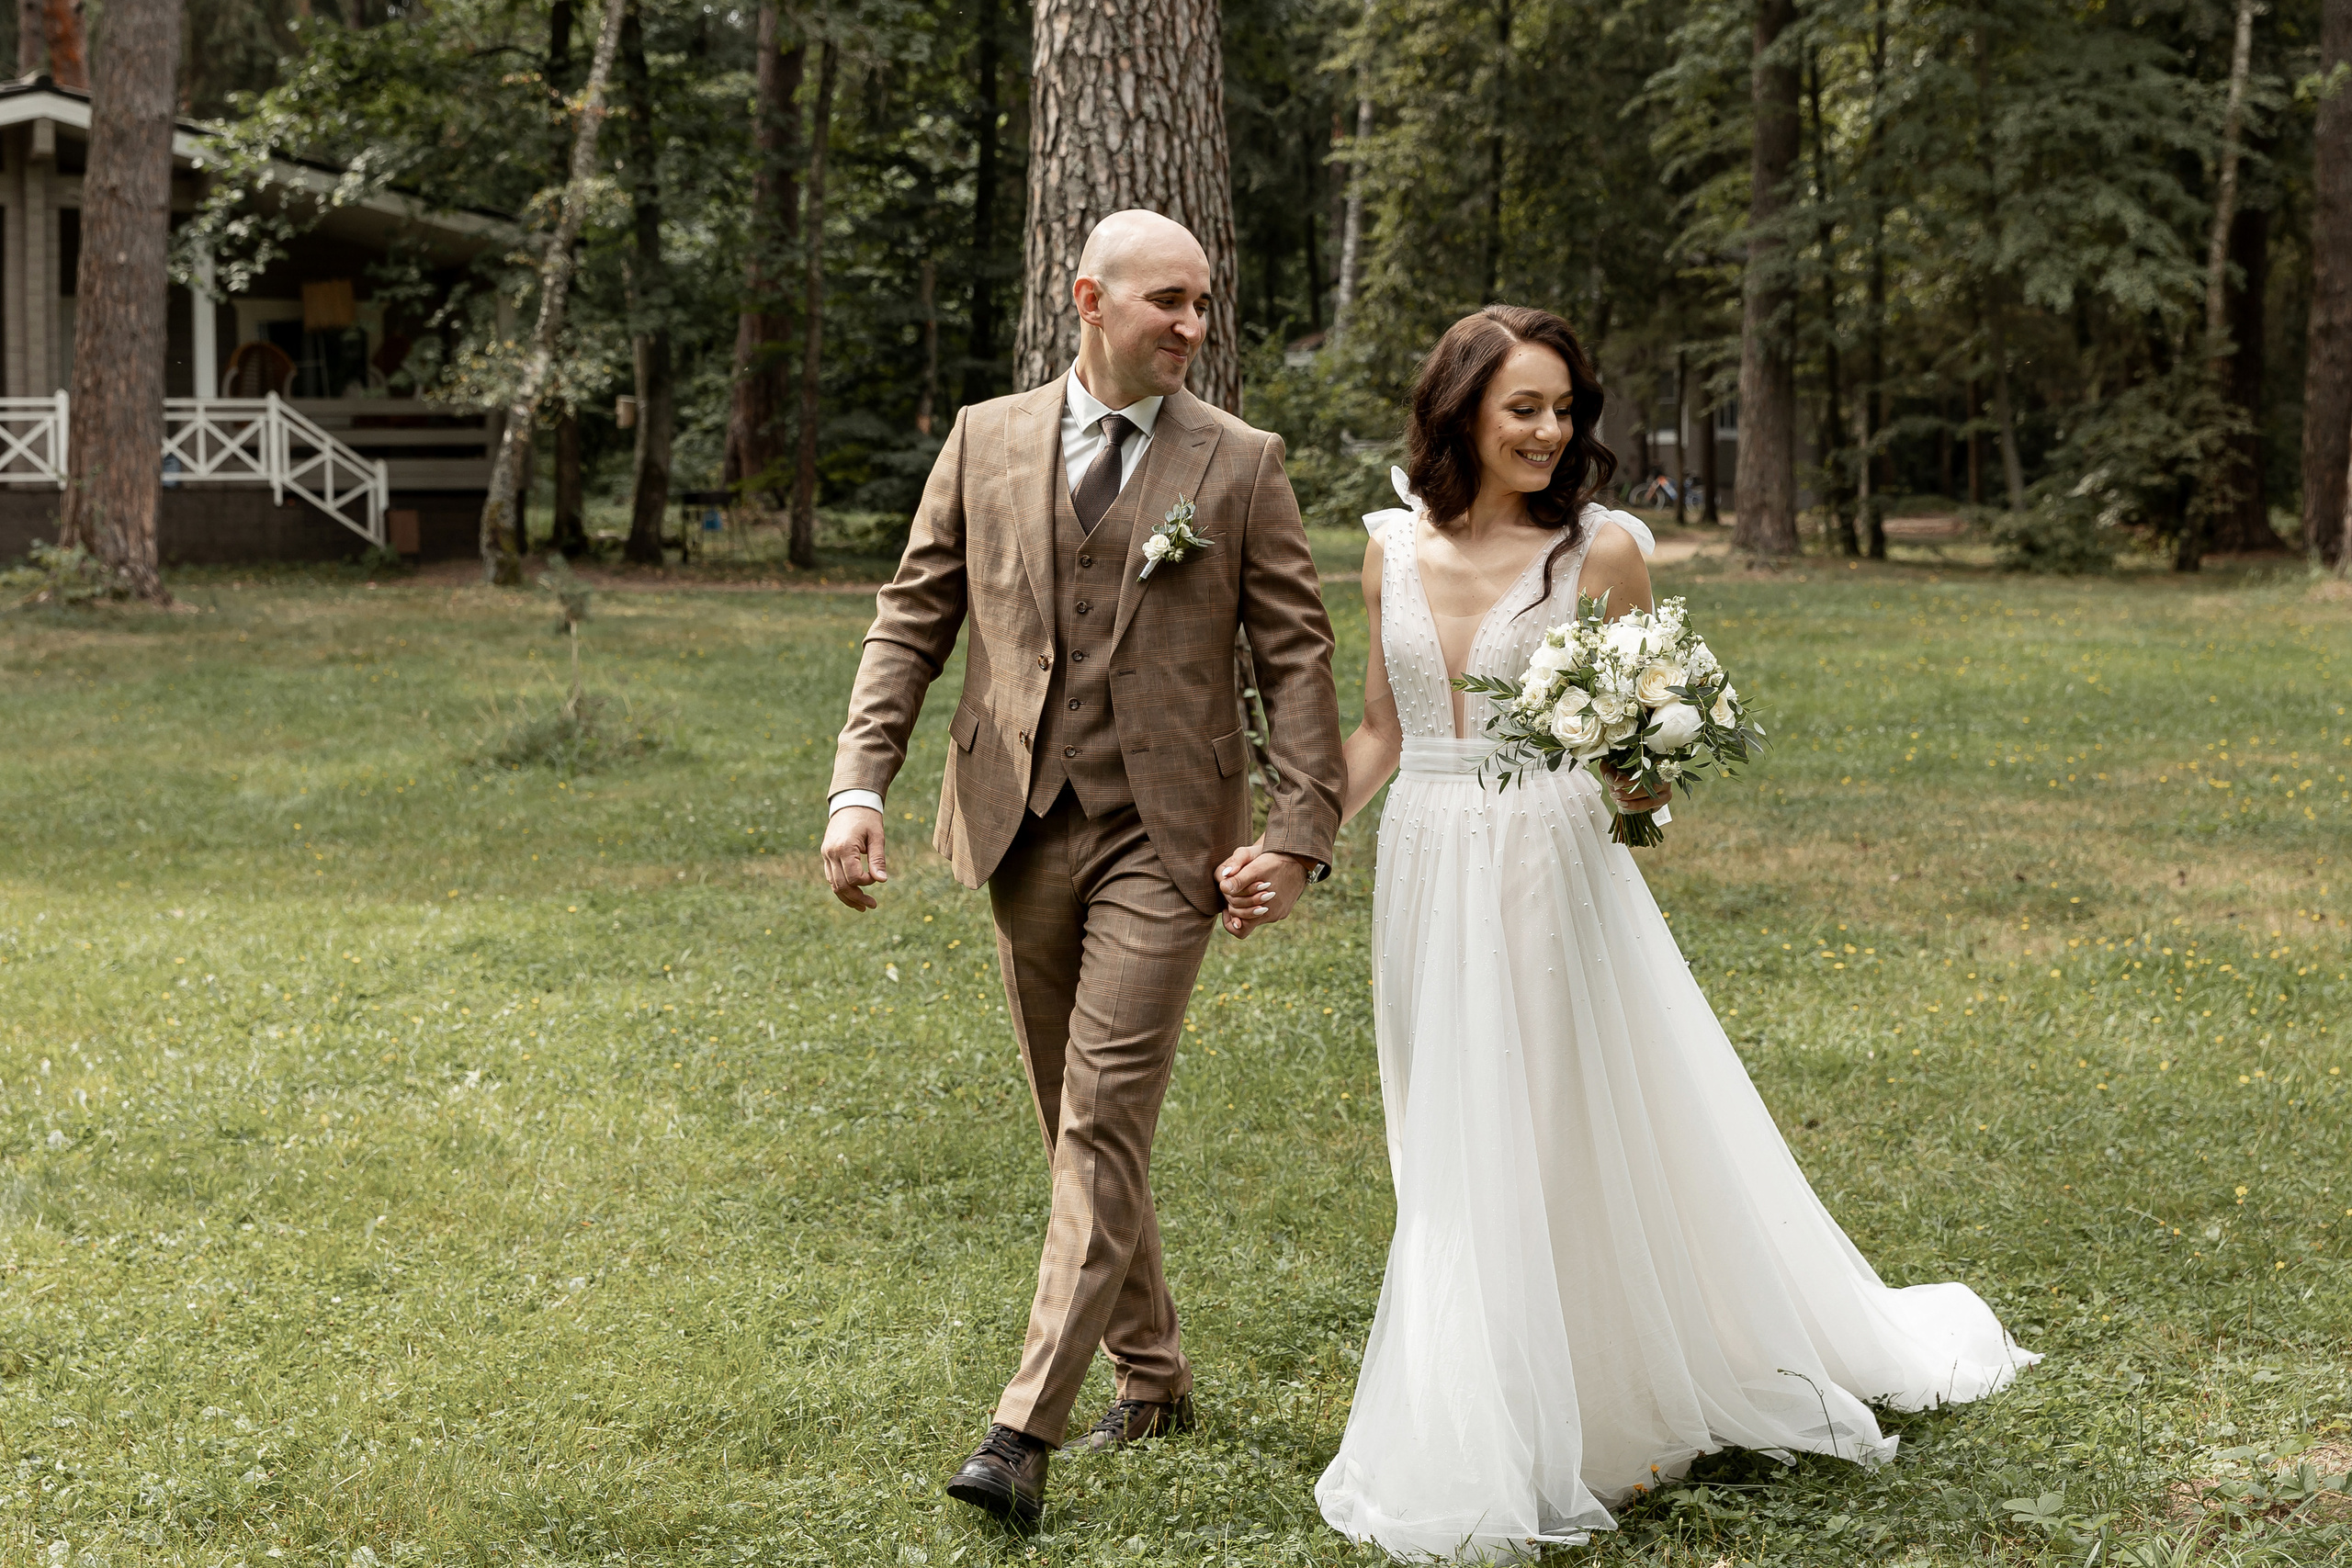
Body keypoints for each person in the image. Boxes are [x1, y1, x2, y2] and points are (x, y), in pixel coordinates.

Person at [1219, 305, 2037, 1561]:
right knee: (1444, 1126)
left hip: (1549, 857)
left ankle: (1593, 1403)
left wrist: (1643, 769)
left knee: (1548, 1117)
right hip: (1428, 860)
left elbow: (1637, 760)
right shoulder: (1390, 547)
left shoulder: (1603, 555)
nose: (1550, 432)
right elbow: (1381, 729)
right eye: (1523, 410)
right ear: (1460, 416)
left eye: (1563, 410)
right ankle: (1497, 1379)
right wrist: (1296, 840)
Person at [820, 210, 1345, 1530]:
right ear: (1088, 298)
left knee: (1102, 1117)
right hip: (1017, 825)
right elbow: (914, 615)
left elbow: (1297, 660)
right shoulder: (985, 438)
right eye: (1168, 301)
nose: (1192, 325)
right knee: (1076, 1119)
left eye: (1205, 304)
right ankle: (1156, 1376)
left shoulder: (1241, 464)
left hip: (1169, 843)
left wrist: (1295, 832)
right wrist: (857, 783)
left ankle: (1020, 1431)